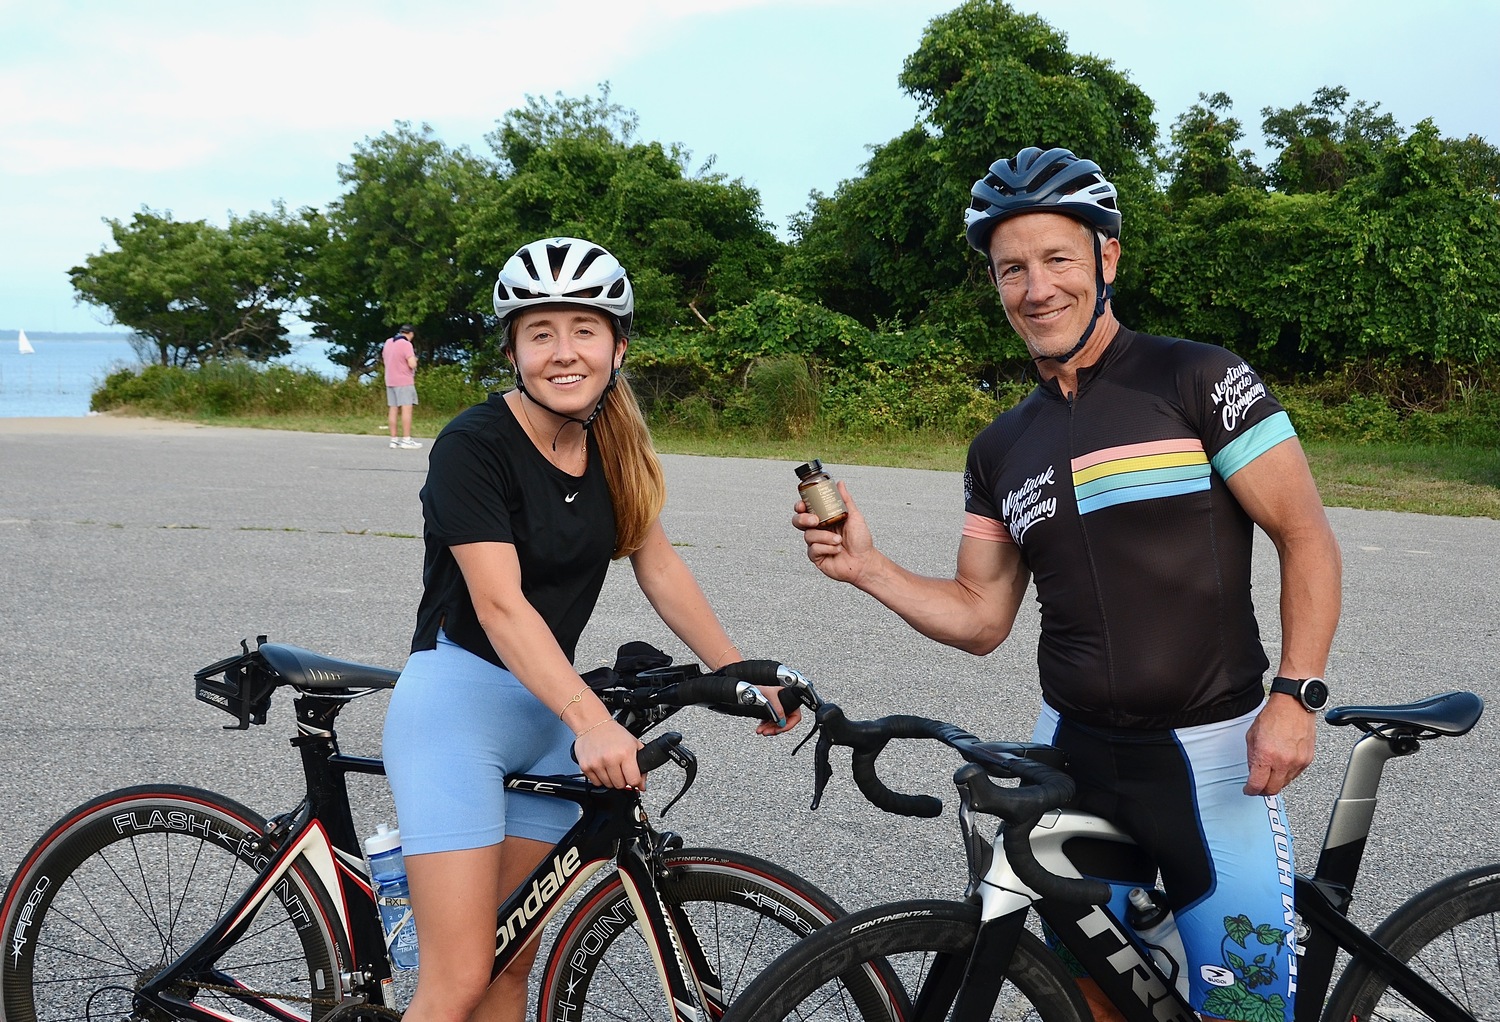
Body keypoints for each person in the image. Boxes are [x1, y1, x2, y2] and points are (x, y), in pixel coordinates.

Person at [794, 148, 1341, 1022]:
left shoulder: (1198, 377)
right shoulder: (1002, 446)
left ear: (1106, 259)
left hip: (1215, 760)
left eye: (1057, 259)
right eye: (1013, 268)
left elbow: (1304, 536)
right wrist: (868, 568)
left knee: (1247, 1008)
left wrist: (1296, 695)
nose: (1036, 287)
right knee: (1091, 1001)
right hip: (1076, 758)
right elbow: (980, 618)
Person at [382, 236, 800, 1022]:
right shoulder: (473, 447)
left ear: (618, 344)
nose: (563, 353)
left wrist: (738, 671)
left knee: (510, 971)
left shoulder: (612, 444)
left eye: (584, 329)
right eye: (541, 333)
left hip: (551, 713)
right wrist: (592, 720)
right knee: (457, 980)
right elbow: (501, 606)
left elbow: (660, 567)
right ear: (512, 349)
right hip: (458, 713)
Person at [383, 324, 421, 448]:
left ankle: (393, 439)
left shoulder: (388, 342)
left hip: (390, 379)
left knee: (393, 409)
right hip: (404, 380)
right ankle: (406, 439)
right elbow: (412, 364)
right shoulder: (406, 344)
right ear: (410, 334)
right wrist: (415, 359)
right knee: (406, 409)